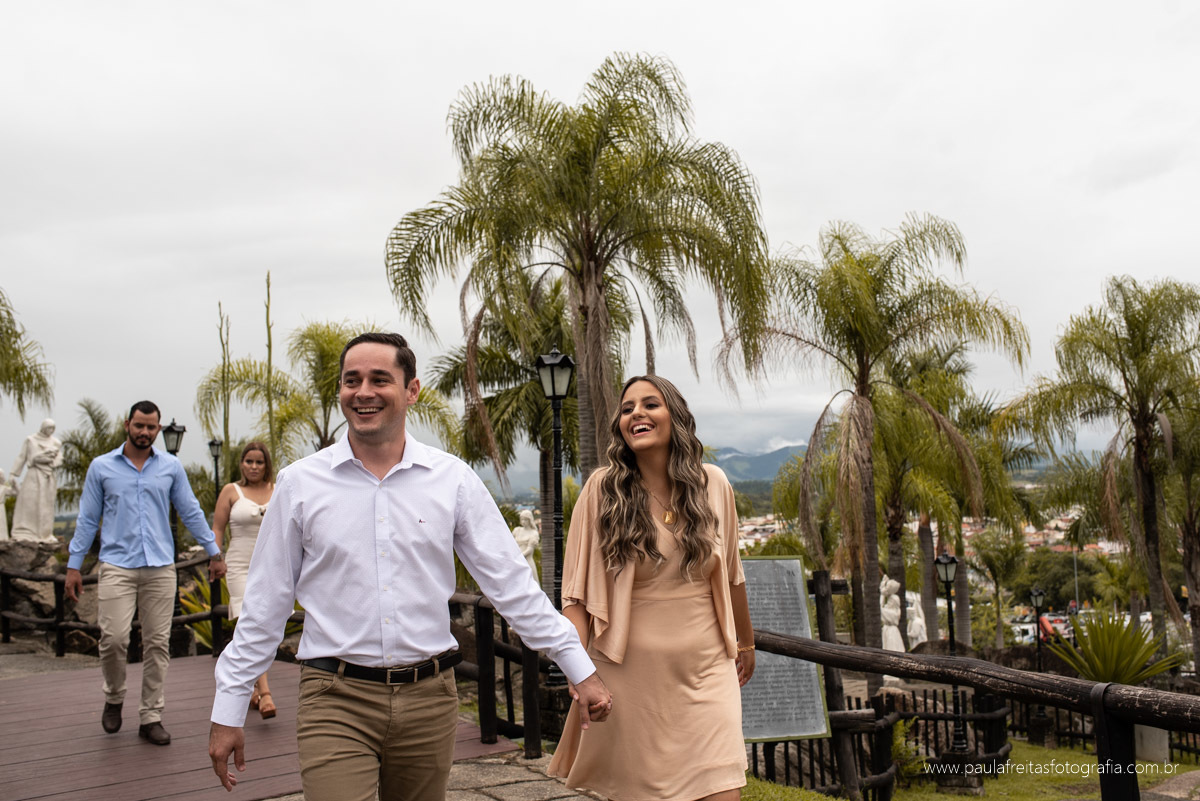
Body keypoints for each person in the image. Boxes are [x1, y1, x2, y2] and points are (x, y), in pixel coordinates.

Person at [208, 332, 611, 800]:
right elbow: (265, 604)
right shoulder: (301, 485)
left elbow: (513, 588)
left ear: (411, 390)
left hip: (429, 699)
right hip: (335, 698)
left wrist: (578, 666)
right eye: (351, 380)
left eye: (380, 379)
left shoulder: (452, 480)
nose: (363, 392)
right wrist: (229, 707)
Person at [548, 375, 755, 801]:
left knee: (722, 789)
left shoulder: (713, 484)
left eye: (650, 404)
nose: (637, 414)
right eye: (627, 409)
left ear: (674, 417)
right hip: (630, 677)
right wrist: (577, 669)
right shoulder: (602, 491)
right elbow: (577, 597)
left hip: (708, 671)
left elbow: (733, 575)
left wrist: (747, 644)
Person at [65, 401, 227, 746]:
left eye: (151, 427)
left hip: (160, 568)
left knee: (157, 644)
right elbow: (88, 519)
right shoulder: (102, 467)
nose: (145, 432)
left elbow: (190, 510)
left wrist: (214, 552)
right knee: (113, 640)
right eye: (139, 426)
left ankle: (151, 716)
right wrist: (73, 566)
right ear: (128, 424)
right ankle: (114, 696)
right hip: (117, 566)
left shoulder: (169, 467)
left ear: (157, 429)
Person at [212, 441, 276, 719]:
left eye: (258, 462)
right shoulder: (231, 491)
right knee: (247, 622)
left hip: (270, 565)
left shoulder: (278, 489)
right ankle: (265, 694)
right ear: (241, 464)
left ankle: (248, 687)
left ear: (266, 465)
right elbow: (217, 527)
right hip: (238, 564)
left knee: (263, 623)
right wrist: (217, 557)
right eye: (248, 461)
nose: (253, 467)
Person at [8, 418, 63, 542]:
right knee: (29, 503)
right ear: (43, 427)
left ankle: (45, 533)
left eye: (52, 428)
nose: (51, 431)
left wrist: (52, 462)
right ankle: (26, 531)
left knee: (46, 505)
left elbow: (59, 458)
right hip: (34, 475)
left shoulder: (56, 443)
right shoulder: (31, 440)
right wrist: (13, 474)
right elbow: (22, 457)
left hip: (48, 476)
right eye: (49, 428)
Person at [511, 509, 540, 578]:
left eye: (525, 520)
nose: (523, 521)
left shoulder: (534, 533)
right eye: (522, 519)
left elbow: (529, 550)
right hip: (516, 562)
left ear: (530, 520)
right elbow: (510, 544)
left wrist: (517, 557)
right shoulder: (517, 530)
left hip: (527, 562)